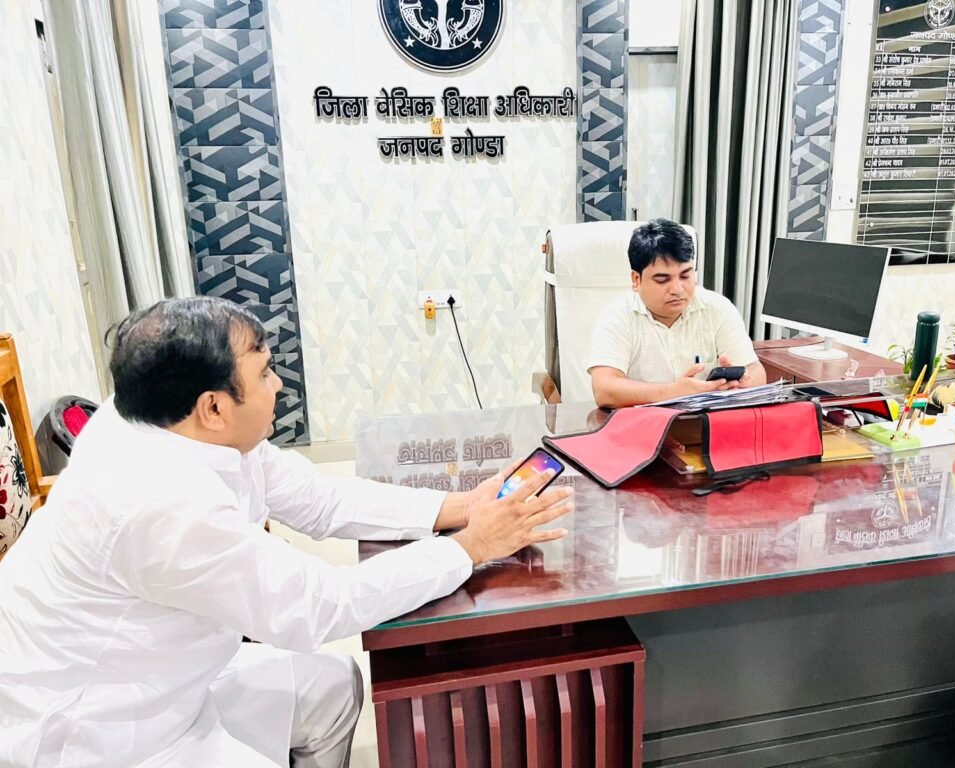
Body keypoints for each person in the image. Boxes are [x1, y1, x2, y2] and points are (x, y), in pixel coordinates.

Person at [0, 297, 573, 768]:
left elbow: (319, 499)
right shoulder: (159, 501)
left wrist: (460, 506)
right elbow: (319, 606)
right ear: (213, 407)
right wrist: (471, 548)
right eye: (264, 372)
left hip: (167, 674)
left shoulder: (163, 415)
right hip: (99, 731)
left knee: (333, 687)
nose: (278, 384)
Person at [588, 218, 767, 408]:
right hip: (643, 423)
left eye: (685, 275)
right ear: (636, 279)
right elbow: (604, 390)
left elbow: (757, 373)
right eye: (662, 279)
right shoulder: (617, 316)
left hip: (705, 421)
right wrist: (675, 392)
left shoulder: (717, 308)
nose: (677, 289)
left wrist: (737, 383)